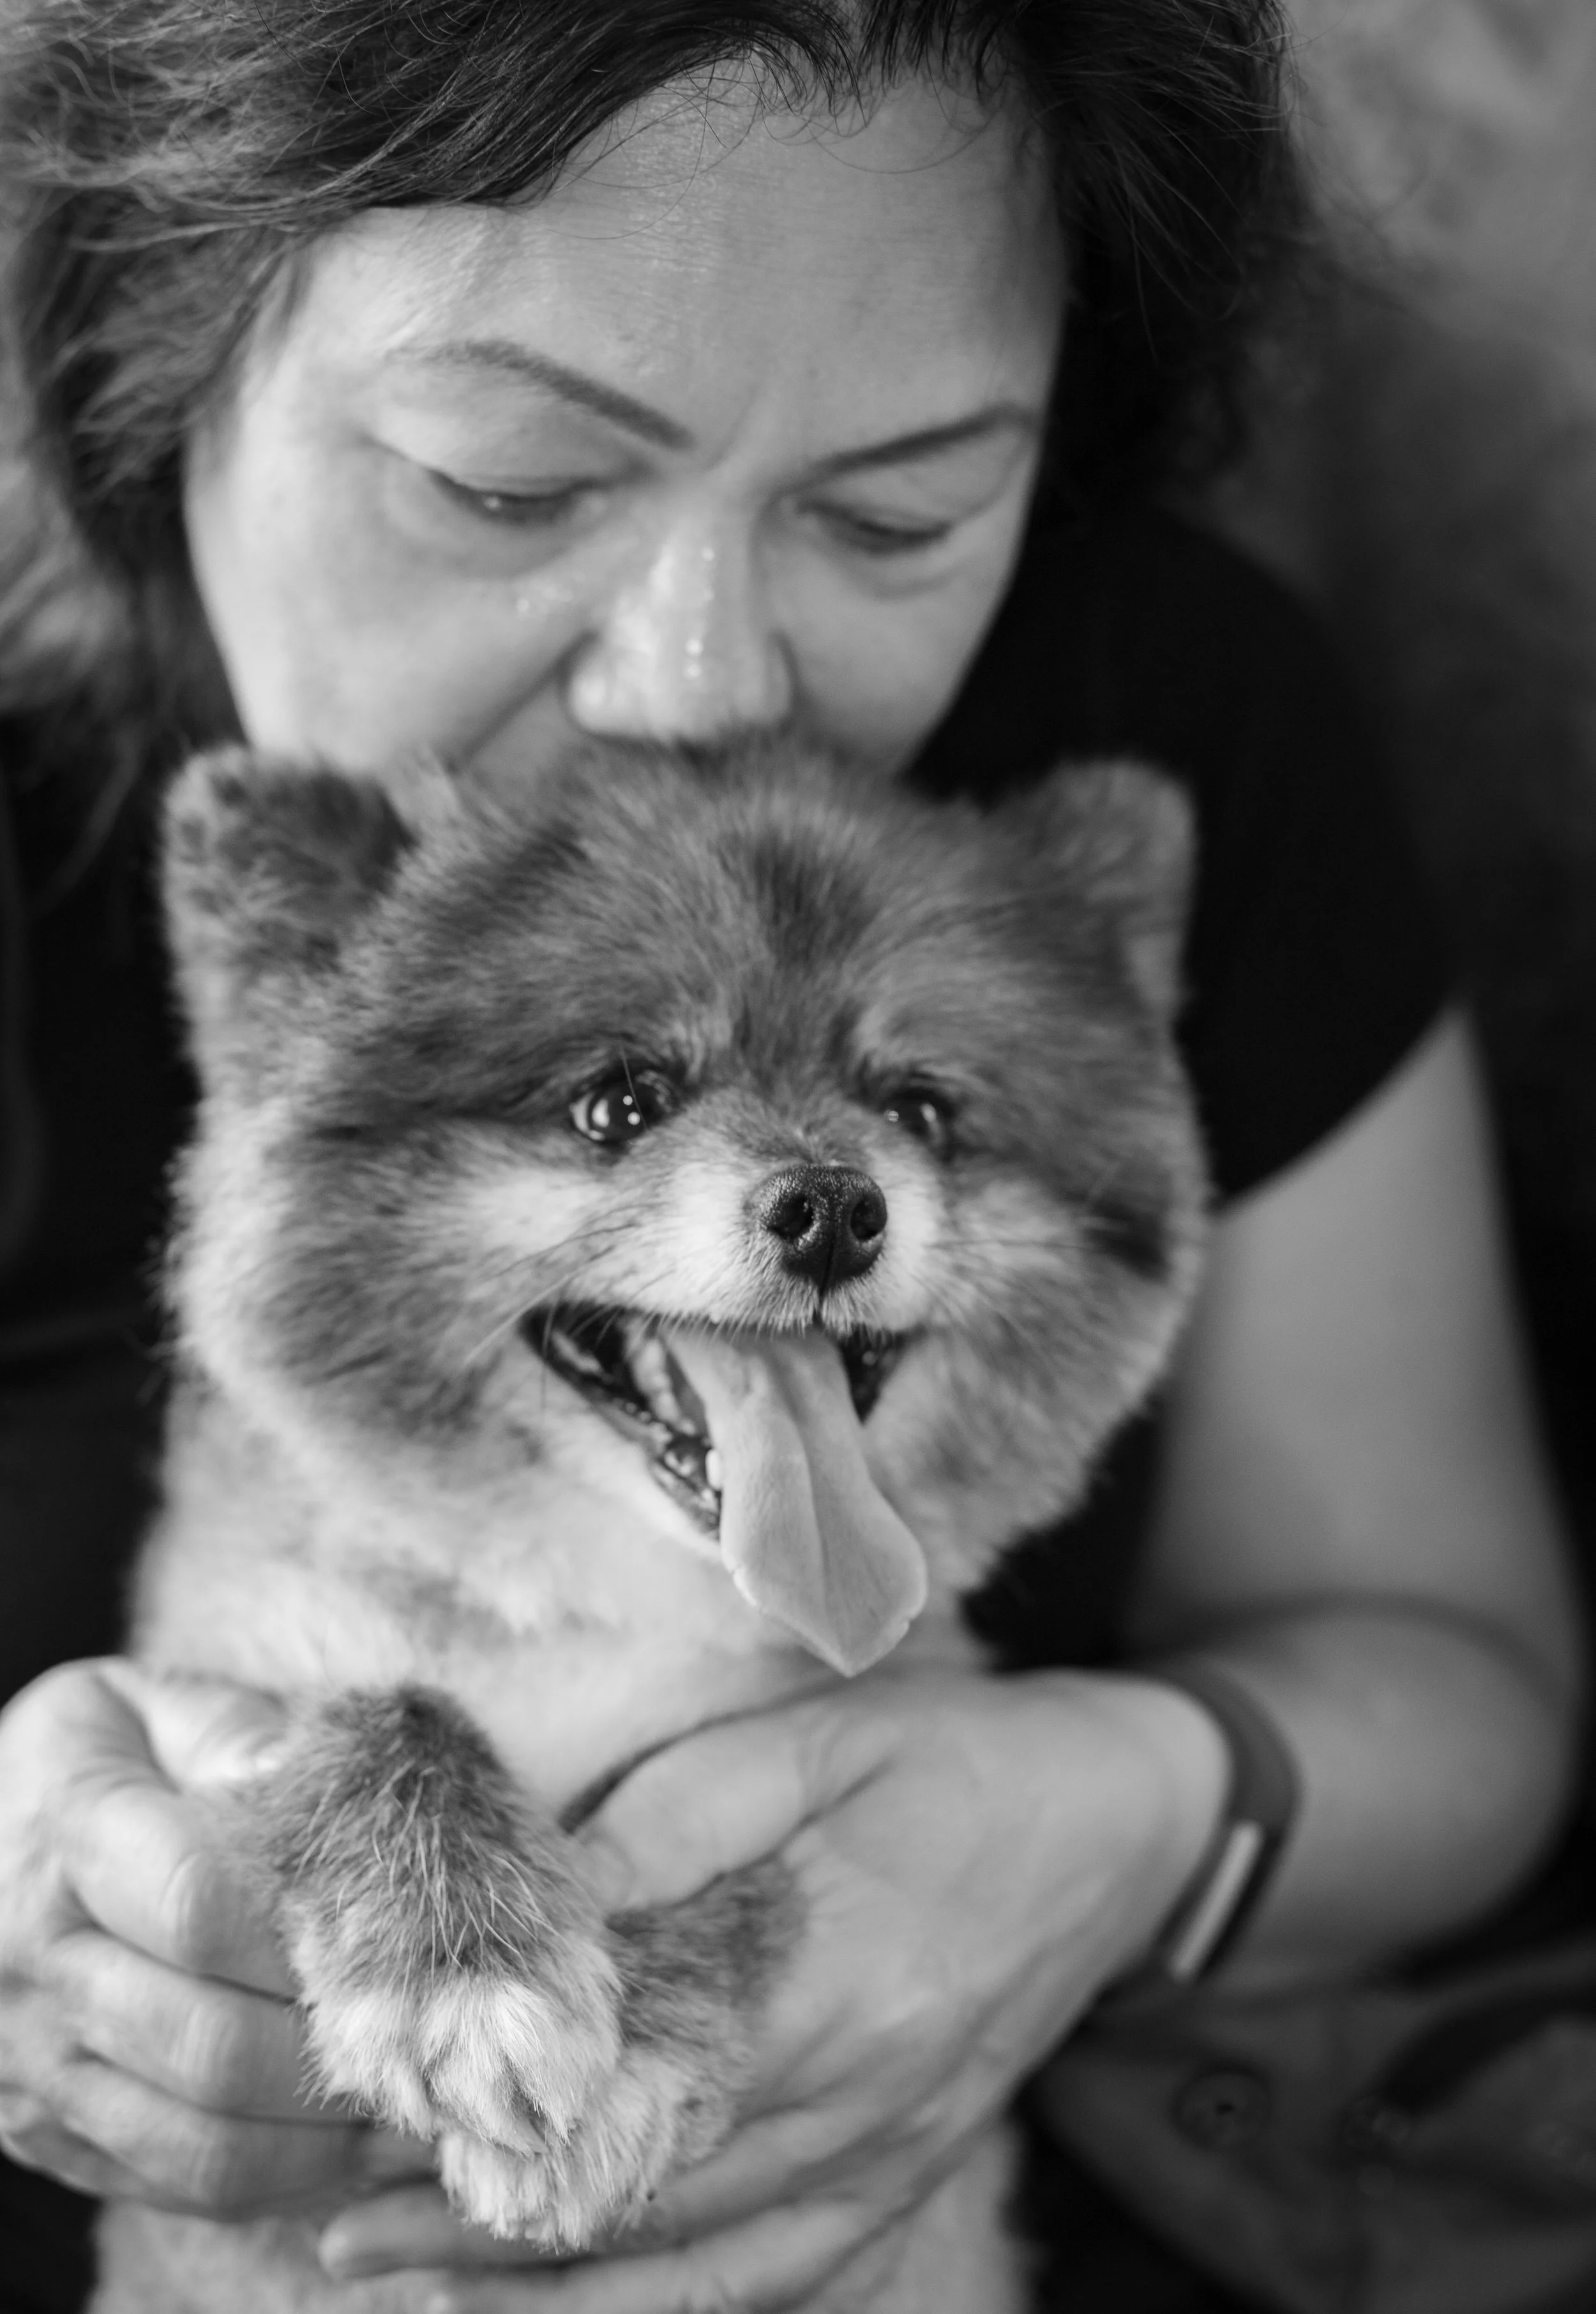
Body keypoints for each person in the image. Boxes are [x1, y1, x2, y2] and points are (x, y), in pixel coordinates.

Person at [0, 3, 1579, 2310]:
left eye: (896, 511)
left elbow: (1457, 1681)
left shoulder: (1165, 727)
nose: (699, 676)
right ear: (154, 334)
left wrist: (1116, 1830)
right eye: (508, 483)